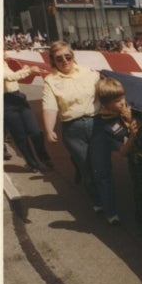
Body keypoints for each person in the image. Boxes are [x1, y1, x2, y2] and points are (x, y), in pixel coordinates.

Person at [41, 41, 101, 206]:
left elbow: (105, 90)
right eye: (59, 59)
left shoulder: (88, 72)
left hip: (96, 123)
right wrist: (49, 129)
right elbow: (50, 107)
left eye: (68, 56)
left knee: (100, 165)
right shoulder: (50, 81)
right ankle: (97, 202)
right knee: (87, 167)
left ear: (73, 57)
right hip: (73, 130)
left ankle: (109, 201)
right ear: (53, 61)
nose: (65, 61)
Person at [89, 77, 137, 226]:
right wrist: (133, 135)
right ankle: (109, 212)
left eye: (122, 98)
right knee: (102, 176)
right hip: (99, 147)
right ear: (106, 104)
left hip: (115, 138)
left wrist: (129, 119)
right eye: (117, 101)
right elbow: (123, 152)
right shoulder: (104, 125)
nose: (122, 103)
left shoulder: (122, 108)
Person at [3, 51, 52, 171]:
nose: (5, 52)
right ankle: (33, 164)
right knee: (20, 136)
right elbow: (9, 77)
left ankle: (44, 158)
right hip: (6, 101)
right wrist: (28, 70)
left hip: (17, 96)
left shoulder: (4, 63)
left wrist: (24, 69)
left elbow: (13, 76)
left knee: (35, 131)